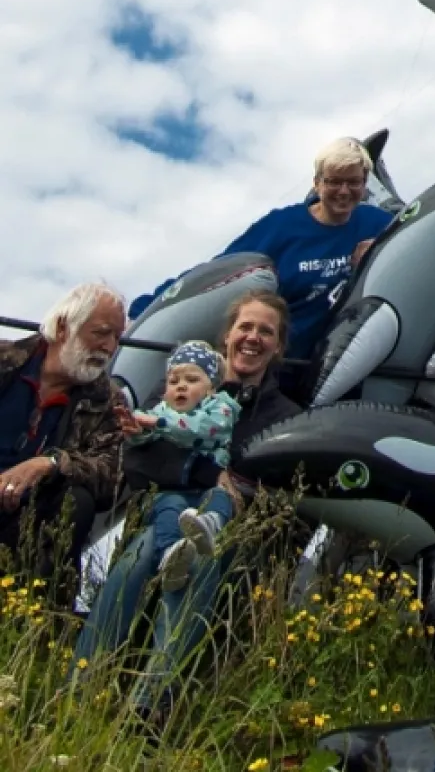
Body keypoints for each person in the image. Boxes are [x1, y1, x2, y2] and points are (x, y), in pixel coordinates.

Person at [73, 289, 302, 721]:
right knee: (132, 566)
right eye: (245, 327)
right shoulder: (182, 385)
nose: (253, 338)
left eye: (265, 332)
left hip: (229, 527)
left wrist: (226, 486)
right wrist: (206, 475)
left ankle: (153, 703)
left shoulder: (285, 416)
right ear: (227, 336)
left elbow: (278, 485)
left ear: (279, 347)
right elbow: (138, 457)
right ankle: (79, 690)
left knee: (197, 562)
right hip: (167, 510)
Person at [130, 137, 394, 365]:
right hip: (278, 360)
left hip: (342, 358)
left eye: (354, 183)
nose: (344, 192)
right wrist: (146, 307)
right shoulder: (282, 226)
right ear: (317, 183)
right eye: (334, 182)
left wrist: (380, 253)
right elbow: (220, 270)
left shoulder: (378, 224)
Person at [0, 282, 127, 592]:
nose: (109, 347)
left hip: (28, 520)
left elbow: (112, 476)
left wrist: (51, 463)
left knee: (78, 501)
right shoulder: (6, 362)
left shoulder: (109, 402)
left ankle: (37, 620)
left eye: (116, 338)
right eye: (101, 333)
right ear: (61, 327)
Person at [119, 341, 240, 593]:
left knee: (220, 497)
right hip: (174, 490)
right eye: (173, 382)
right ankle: (171, 556)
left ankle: (211, 524)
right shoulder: (161, 410)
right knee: (167, 506)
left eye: (192, 379)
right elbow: (147, 440)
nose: (181, 386)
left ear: (210, 388)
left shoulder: (220, 407)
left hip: (206, 488)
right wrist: (137, 432)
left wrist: (156, 422)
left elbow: (198, 430)